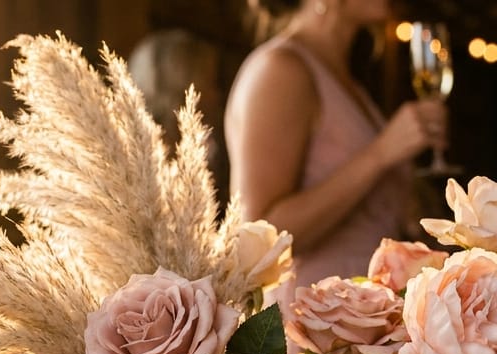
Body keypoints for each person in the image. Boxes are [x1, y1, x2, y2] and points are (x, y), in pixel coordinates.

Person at [224, 0, 447, 300]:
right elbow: (259, 241)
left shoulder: (351, 83)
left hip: (364, 319)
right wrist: (381, 154)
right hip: (312, 324)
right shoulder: (280, 69)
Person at [127, 29, 228, 199]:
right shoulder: (149, 157)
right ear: (186, 87)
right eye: (211, 82)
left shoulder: (202, 144)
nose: (217, 95)